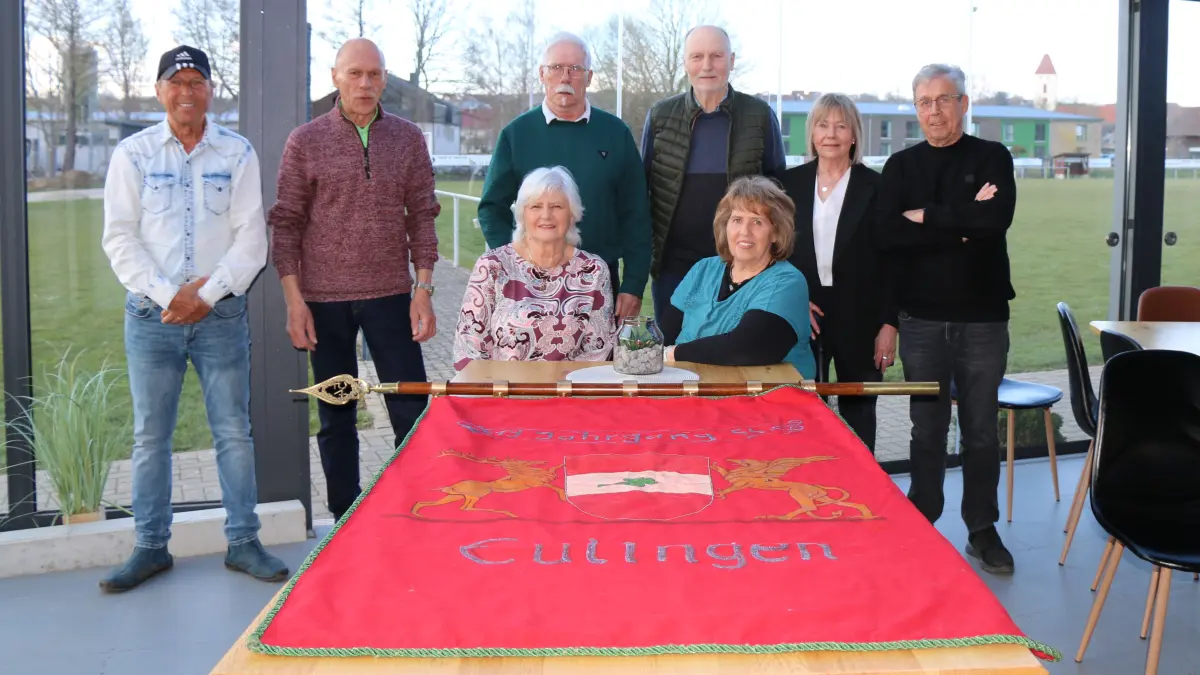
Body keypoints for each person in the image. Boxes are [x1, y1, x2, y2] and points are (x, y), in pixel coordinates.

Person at [99, 45, 287, 592]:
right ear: (160, 91)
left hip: (221, 316)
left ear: (209, 90)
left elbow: (252, 240)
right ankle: (150, 548)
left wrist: (206, 294)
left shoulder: (238, 153)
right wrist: (168, 295)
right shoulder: (132, 155)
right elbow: (119, 238)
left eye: (196, 81)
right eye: (176, 81)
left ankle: (244, 542)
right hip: (150, 318)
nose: (187, 91)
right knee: (149, 437)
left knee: (233, 431)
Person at [268, 38, 440, 522]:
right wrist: (294, 301)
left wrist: (422, 290)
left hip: (391, 297)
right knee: (336, 417)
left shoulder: (407, 139)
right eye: (355, 74)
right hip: (323, 303)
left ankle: (420, 511)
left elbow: (423, 217)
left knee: (412, 410)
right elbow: (286, 222)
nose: (365, 84)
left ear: (385, 78)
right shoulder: (305, 141)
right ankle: (345, 519)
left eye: (374, 74)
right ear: (335, 76)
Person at [876, 63, 1017, 574]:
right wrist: (961, 221)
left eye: (944, 99)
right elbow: (886, 237)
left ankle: (981, 529)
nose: (934, 110)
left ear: (963, 102)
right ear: (916, 108)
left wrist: (927, 216)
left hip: (983, 321)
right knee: (926, 430)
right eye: (924, 102)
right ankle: (923, 519)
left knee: (980, 431)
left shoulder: (992, 157)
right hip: (922, 322)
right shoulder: (900, 167)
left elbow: (995, 219)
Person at [478, 32, 651, 322]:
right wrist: (517, 262)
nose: (565, 77)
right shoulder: (517, 134)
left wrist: (634, 283)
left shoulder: (615, 133)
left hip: (600, 281)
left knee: (598, 366)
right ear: (542, 74)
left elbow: (637, 214)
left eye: (575, 69)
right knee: (533, 364)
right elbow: (491, 208)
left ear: (589, 77)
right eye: (556, 67)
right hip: (533, 281)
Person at [642, 25, 786, 346]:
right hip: (674, 267)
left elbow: (779, 189)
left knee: (733, 352)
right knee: (671, 354)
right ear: (685, 63)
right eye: (697, 56)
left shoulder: (759, 114)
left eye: (716, 56)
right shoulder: (661, 115)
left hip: (743, 264)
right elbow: (645, 187)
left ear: (731, 61)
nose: (707, 65)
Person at [779, 93, 895, 454]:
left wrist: (889, 325)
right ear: (812, 133)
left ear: (854, 135)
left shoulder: (876, 188)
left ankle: (867, 498)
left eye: (841, 125)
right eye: (823, 125)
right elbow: (775, 251)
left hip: (861, 318)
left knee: (859, 418)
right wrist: (794, 299)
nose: (831, 134)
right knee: (801, 413)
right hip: (803, 314)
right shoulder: (786, 185)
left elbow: (893, 260)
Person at [454, 167, 614, 369]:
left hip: (568, 394)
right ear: (522, 214)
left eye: (556, 206)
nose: (546, 215)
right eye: (536, 206)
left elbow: (597, 352)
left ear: (572, 214)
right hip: (502, 393)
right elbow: (469, 348)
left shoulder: (594, 270)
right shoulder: (492, 266)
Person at [663, 176, 815, 380]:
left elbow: (747, 348)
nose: (745, 232)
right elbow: (663, 333)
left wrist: (673, 354)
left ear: (776, 233)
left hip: (769, 401)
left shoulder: (787, 282)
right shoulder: (703, 269)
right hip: (695, 393)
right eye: (737, 220)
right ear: (725, 227)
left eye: (757, 222)